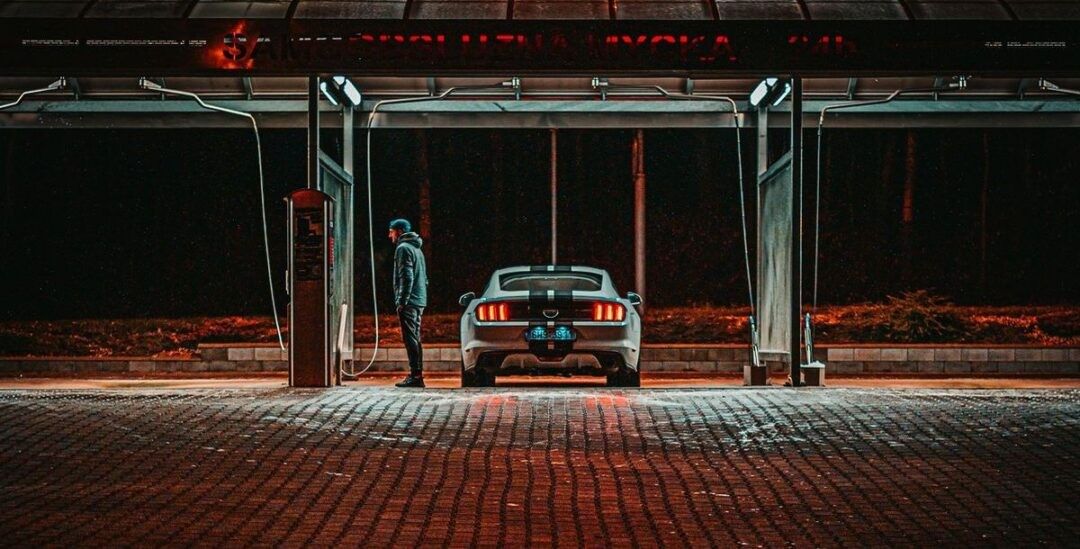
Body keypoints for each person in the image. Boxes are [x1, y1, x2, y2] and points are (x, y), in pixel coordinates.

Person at [388, 218, 428, 388]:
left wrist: (402, 301)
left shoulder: (403, 248)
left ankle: (415, 375)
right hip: (419, 299)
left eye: (391, 231)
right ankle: (417, 374)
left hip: (410, 301)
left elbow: (407, 277)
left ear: (400, 231)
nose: (390, 235)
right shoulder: (417, 249)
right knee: (415, 337)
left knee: (410, 338)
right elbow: (424, 277)